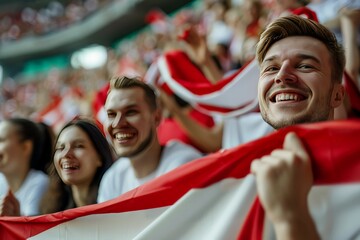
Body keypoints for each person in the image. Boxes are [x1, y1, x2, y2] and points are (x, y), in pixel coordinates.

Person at [250, 15, 346, 239]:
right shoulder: (235, 179)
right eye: (271, 69)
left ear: (337, 94)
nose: (282, 76)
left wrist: (290, 218)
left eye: (304, 65)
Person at [97, 76, 203, 203]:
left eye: (131, 112)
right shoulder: (112, 179)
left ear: (157, 118)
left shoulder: (184, 165)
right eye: (111, 114)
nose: (117, 124)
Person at [40, 118, 113, 214]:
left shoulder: (115, 206)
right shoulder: (52, 213)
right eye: (60, 148)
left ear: (100, 157)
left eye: (78, 146)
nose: (66, 154)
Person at [0, 118, 53, 216]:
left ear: (26, 147)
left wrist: (14, 217)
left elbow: (32, 230)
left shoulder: (40, 183)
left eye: (1, 140)